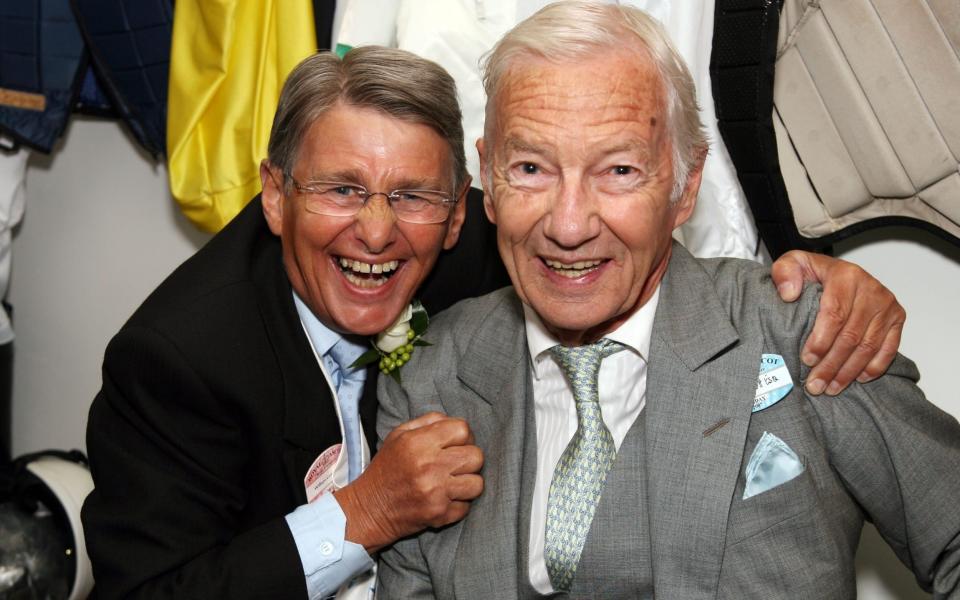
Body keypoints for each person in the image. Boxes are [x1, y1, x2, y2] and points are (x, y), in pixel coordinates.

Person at [83, 44, 903, 599]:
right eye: (339, 189)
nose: (375, 232)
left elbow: (628, 248)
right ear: (273, 192)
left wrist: (805, 284)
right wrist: (360, 516)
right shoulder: (178, 359)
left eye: (411, 195)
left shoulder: (499, 241)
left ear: (458, 211)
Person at [376, 3, 960, 599]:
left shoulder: (803, 332)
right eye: (531, 168)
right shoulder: (431, 375)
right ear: (489, 180)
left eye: (620, 170)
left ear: (684, 186)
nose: (569, 224)